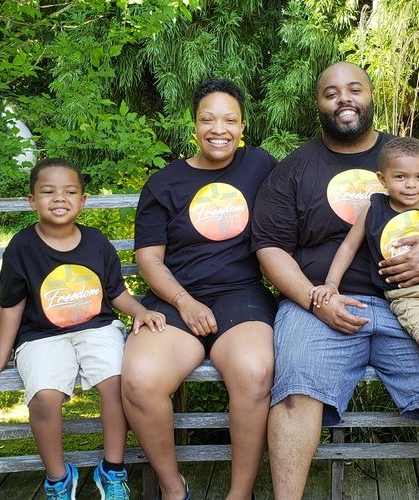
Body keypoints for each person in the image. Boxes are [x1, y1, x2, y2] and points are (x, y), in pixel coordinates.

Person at [252, 61, 419, 499]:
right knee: (296, 387)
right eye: (331, 92)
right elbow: (269, 247)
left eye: (354, 88)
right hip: (321, 307)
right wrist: (314, 298)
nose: (344, 98)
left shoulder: (410, 159)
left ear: (371, 95)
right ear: (318, 103)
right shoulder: (294, 169)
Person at [121, 78, 277, 500]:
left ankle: (239, 493)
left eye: (229, 120)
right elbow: (149, 259)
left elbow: (301, 201)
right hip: (175, 296)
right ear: (194, 125)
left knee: (254, 370)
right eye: (208, 119)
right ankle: (174, 489)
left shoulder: (260, 165)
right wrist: (183, 302)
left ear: (242, 126)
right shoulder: (164, 183)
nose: (218, 129)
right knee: (140, 380)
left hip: (241, 294)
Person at [0, 158, 166, 500]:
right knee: (44, 395)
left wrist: (141, 311)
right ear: (32, 201)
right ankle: (58, 479)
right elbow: (12, 305)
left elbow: (115, 292)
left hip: (97, 328)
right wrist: (0, 358)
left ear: (82, 200)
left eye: (70, 192)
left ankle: (112, 470)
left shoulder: (96, 242)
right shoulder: (22, 248)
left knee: (115, 381)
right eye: (48, 192)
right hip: (41, 335)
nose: (60, 198)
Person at [310, 136, 419, 458]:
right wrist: (331, 284)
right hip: (411, 296)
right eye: (401, 177)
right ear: (383, 179)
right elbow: (348, 247)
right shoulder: (373, 209)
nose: (411, 185)